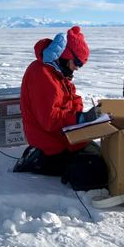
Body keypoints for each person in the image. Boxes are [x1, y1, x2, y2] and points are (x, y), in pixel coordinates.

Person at [15, 26, 103, 178]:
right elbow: (49, 120)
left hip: (64, 134)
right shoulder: (42, 75)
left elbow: (73, 99)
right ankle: (36, 160)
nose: (77, 68)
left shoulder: (58, 72)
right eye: (77, 63)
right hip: (50, 143)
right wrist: (78, 118)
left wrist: (82, 117)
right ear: (65, 55)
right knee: (94, 167)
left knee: (100, 155)